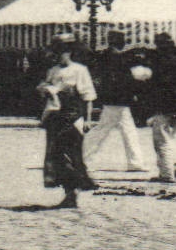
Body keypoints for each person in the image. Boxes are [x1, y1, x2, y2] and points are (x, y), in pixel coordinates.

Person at [37, 36, 98, 208]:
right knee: (56, 154)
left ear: (69, 52)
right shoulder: (53, 71)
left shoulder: (80, 70)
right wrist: (45, 89)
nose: (59, 55)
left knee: (71, 154)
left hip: (73, 116)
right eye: (57, 52)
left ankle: (75, 190)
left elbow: (88, 96)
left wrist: (88, 119)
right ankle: (68, 191)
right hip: (55, 116)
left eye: (62, 51)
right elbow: (45, 87)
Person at [83, 30, 150, 172]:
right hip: (119, 99)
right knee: (108, 131)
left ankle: (135, 162)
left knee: (113, 130)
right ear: (120, 42)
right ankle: (135, 163)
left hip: (111, 99)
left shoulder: (105, 56)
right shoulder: (120, 58)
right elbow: (127, 78)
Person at [141, 32, 176, 183]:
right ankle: (173, 166)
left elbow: (155, 88)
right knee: (168, 139)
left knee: (161, 141)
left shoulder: (158, 64)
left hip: (163, 107)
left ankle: (168, 174)